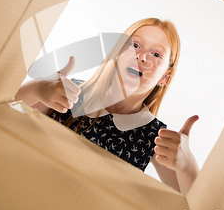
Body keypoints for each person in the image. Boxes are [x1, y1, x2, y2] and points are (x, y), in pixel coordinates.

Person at [15, 18, 199, 195]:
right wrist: (36, 88)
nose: (141, 56)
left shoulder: (154, 137)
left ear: (165, 77)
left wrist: (188, 166)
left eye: (156, 54)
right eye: (135, 45)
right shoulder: (67, 92)